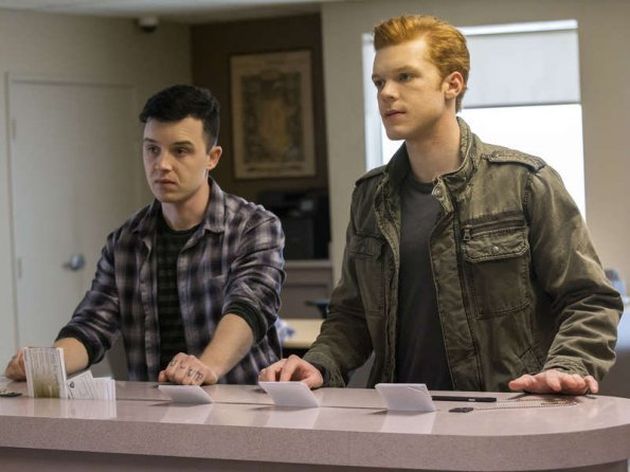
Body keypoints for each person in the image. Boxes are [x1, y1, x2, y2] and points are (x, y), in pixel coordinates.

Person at [260, 14, 622, 394]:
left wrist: (565, 366)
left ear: (453, 84)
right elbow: (352, 315)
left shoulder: (525, 182)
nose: (386, 93)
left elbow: (590, 299)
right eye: (379, 81)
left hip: (508, 409)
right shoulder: (370, 195)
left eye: (405, 77)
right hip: (398, 413)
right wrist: (319, 363)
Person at [5, 85, 285, 385]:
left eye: (180, 151)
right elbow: (92, 326)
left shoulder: (253, 227)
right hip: (154, 407)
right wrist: (44, 364)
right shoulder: (125, 242)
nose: (162, 164)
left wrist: (206, 367)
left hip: (237, 405)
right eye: (152, 149)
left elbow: (250, 307)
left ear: (212, 157)